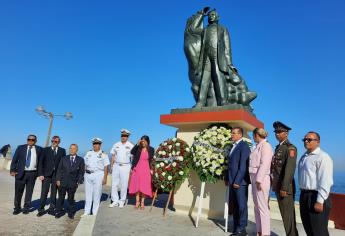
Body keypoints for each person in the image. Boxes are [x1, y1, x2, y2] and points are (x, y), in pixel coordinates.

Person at [298, 131, 333, 236]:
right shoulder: (304, 157)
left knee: (319, 232)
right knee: (308, 229)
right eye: (304, 139)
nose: (306, 141)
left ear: (318, 142)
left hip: (316, 197)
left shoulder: (323, 157)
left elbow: (325, 180)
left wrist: (320, 201)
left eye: (309, 139)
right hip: (304, 195)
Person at [271, 121, 299, 236]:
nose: (277, 134)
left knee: (288, 216)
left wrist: (284, 188)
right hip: (278, 186)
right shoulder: (278, 147)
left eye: (279, 132)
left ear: (286, 133)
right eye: (276, 132)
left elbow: (289, 170)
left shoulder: (290, 148)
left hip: (285, 188)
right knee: (284, 215)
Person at [225, 127, 250, 236]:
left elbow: (243, 166)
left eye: (234, 133)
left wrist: (238, 181)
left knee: (241, 206)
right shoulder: (233, 146)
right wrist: (227, 178)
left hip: (239, 182)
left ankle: (242, 229)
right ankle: (236, 228)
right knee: (235, 205)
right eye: (232, 133)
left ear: (240, 135)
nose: (232, 135)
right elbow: (230, 165)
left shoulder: (244, 146)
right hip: (232, 180)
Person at [249, 128, 273, 236]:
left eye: (253, 135)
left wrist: (258, 180)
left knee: (263, 208)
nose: (253, 137)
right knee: (257, 206)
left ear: (256, 135)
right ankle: (259, 231)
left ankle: (265, 233)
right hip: (254, 177)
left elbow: (265, 163)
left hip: (261, 179)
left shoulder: (266, 146)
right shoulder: (257, 146)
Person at [10, 135, 43, 215]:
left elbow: (40, 163)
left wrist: (40, 174)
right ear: (27, 140)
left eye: (32, 140)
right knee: (18, 192)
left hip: (32, 174)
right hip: (21, 173)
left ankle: (26, 208)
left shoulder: (39, 149)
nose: (30, 141)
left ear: (35, 141)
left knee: (29, 192)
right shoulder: (20, 148)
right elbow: (15, 159)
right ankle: (17, 208)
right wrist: (12, 170)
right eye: (29, 139)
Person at [37, 135, 66, 216]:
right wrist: (40, 174)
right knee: (44, 192)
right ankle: (41, 209)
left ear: (59, 142)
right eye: (52, 141)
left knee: (54, 192)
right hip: (46, 175)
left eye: (55, 141)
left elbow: (63, 164)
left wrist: (61, 177)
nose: (53, 142)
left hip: (56, 175)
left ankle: (51, 209)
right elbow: (40, 162)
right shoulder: (45, 150)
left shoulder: (62, 151)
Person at [55, 144, 85, 219]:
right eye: (70, 148)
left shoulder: (80, 160)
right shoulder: (63, 158)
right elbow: (59, 170)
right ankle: (59, 211)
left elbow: (81, 172)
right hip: (63, 181)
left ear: (76, 150)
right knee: (61, 198)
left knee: (71, 198)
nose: (71, 150)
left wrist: (79, 180)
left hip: (73, 183)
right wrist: (58, 179)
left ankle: (71, 212)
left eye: (73, 148)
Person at [83, 138, 109, 216]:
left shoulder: (104, 155)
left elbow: (106, 167)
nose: (95, 145)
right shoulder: (88, 153)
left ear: (100, 145)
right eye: (94, 144)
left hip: (98, 175)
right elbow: (84, 164)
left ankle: (95, 212)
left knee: (97, 194)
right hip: (88, 175)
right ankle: (87, 211)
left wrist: (105, 178)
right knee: (88, 194)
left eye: (97, 144)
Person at [109, 129, 134, 208]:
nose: (123, 137)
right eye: (122, 135)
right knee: (114, 184)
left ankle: (122, 200)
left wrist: (132, 168)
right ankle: (115, 200)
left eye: (125, 136)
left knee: (124, 184)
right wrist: (111, 166)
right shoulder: (116, 144)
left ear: (128, 137)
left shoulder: (130, 145)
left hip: (126, 166)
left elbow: (133, 157)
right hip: (116, 165)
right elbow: (113, 155)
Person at [128, 135, 154, 209]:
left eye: (144, 141)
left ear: (147, 141)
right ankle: (137, 202)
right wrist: (137, 144)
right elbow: (132, 152)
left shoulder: (151, 149)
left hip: (146, 169)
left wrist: (151, 169)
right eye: (142, 141)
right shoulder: (138, 148)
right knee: (137, 186)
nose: (143, 142)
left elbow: (151, 160)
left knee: (144, 186)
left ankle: (142, 202)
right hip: (137, 169)